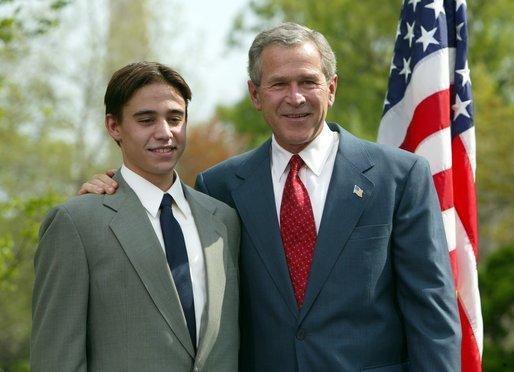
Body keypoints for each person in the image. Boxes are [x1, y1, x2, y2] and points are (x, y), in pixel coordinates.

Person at [80, 23, 461, 371]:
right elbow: (172, 254)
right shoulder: (220, 186)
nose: (294, 98)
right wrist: (117, 191)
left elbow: (431, 313)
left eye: (307, 82)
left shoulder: (400, 176)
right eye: (278, 84)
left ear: (331, 88)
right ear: (255, 95)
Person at [31, 62, 240, 371]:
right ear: (114, 126)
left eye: (175, 118)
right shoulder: (76, 224)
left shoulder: (224, 220)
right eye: (146, 120)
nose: (164, 132)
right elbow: (56, 360)